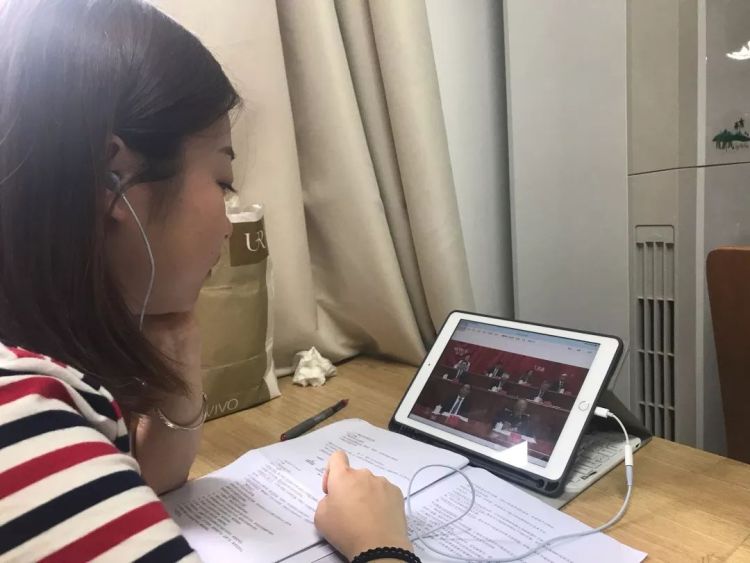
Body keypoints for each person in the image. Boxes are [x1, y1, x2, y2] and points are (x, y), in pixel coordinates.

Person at [0, 1, 412, 561]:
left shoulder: (42, 391)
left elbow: (149, 479)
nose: (226, 223)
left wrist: (175, 336)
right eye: (222, 180)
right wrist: (379, 543)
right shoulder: (25, 424)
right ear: (113, 175)